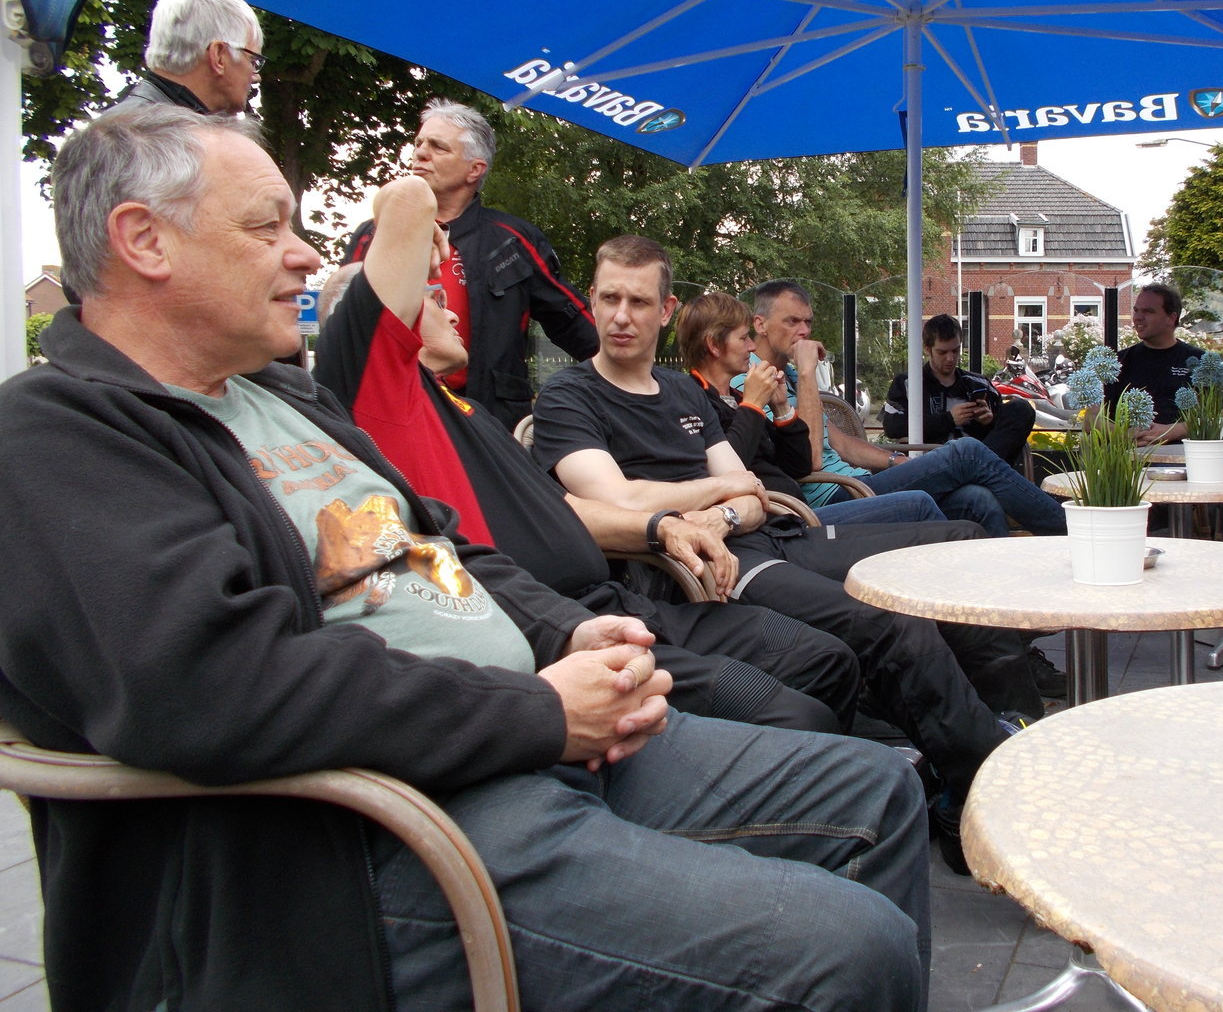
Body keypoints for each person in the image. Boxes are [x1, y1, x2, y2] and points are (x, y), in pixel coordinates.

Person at [0, 108, 930, 1011]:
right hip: (367, 840)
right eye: (265, 227)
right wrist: (540, 712)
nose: (307, 254)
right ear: (145, 241)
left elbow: (447, 546)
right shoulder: (60, 433)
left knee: (880, 788)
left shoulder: (281, 397)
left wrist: (571, 632)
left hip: (530, 737)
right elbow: (211, 683)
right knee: (849, 948)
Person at [533, 237, 1040, 871]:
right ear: (591, 300)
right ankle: (983, 793)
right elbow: (617, 499)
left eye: (638, 302)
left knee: (959, 545)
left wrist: (721, 507)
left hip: (767, 534)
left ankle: (1013, 725)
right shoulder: (569, 397)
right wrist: (715, 498)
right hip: (706, 570)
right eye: (609, 298)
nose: (621, 316)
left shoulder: (681, 392)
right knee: (889, 622)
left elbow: (747, 491)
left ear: (665, 310)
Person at [314, 180, 860, 733]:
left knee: (825, 659)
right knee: (798, 708)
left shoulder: (467, 411)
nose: (454, 313)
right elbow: (408, 202)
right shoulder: (385, 400)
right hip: (555, 624)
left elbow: (562, 507)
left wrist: (661, 526)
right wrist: (414, 225)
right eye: (434, 299)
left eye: (639, 302)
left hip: (621, 596)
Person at [740, 280, 1069, 538]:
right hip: (831, 500)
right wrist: (808, 373)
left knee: (977, 499)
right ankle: (1071, 531)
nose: (804, 331)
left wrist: (898, 461)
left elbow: (839, 443)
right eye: (792, 321)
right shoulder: (752, 381)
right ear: (761, 324)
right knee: (967, 452)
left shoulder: (790, 373)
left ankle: (997, 594)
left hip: (859, 482)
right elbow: (810, 459)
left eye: (808, 322)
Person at [344, 100, 597, 431]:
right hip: (387, 413)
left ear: (474, 169)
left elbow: (571, 319)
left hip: (490, 420)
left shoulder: (513, 240)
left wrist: (629, 372)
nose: (420, 153)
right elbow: (341, 317)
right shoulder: (374, 234)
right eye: (419, 143)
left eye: (438, 147)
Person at [680, 290, 947, 527]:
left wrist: (782, 408)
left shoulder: (741, 395)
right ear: (714, 345)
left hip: (804, 512)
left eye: (808, 322)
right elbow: (733, 468)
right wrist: (756, 403)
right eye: (743, 338)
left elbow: (798, 462)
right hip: (797, 518)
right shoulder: (697, 401)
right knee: (948, 469)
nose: (751, 346)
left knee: (966, 498)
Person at [884, 313, 1035, 464]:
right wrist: (949, 419)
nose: (950, 358)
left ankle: (979, 469)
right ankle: (980, 469)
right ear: (927, 349)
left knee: (1021, 408)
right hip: (933, 466)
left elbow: (1001, 436)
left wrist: (988, 422)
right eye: (942, 352)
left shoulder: (980, 384)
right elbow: (892, 426)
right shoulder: (908, 384)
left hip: (978, 462)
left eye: (955, 351)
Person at [105, 0, 263, 116]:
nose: (257, 77)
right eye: (253, 61)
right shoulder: (158, 135)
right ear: (219, 56)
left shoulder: (124, 125)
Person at [1101, 283, 1203, 445]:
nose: (1138, 317)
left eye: (1148, 311)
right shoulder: (1116, 362)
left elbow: (1215, 418)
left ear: (1171, 318)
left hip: (1182, 455)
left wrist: (1170, 431)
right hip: (1127, 455)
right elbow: (1091, 419)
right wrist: (1124, 434)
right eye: (1136, 310)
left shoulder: (1198, 360)